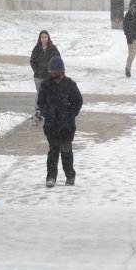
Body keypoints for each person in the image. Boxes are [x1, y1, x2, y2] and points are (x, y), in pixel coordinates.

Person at [37, 55, 83, 188]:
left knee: (66, 150)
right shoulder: (45, 85)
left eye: (55, 70)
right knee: (53, 151)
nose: (52, 72)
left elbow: (78, 101)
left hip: (67, 125)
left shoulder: (70, 84)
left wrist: (70, 114)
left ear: (62, 70)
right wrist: (48, 113)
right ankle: (51, 177)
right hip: (51, 125)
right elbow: (41, 102)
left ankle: (70, 176)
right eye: (51, 70)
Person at [29, 30, 61, 119]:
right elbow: (32, 61)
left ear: (48, 38)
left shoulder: (53, 48)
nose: (43, 39)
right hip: (38, 76)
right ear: (40, 38)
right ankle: (37, 111)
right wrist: (37, 70)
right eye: (42, 37)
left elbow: (58, 60)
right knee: (39, 93)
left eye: (45, 37)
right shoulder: (36, 48)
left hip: (49, 76)